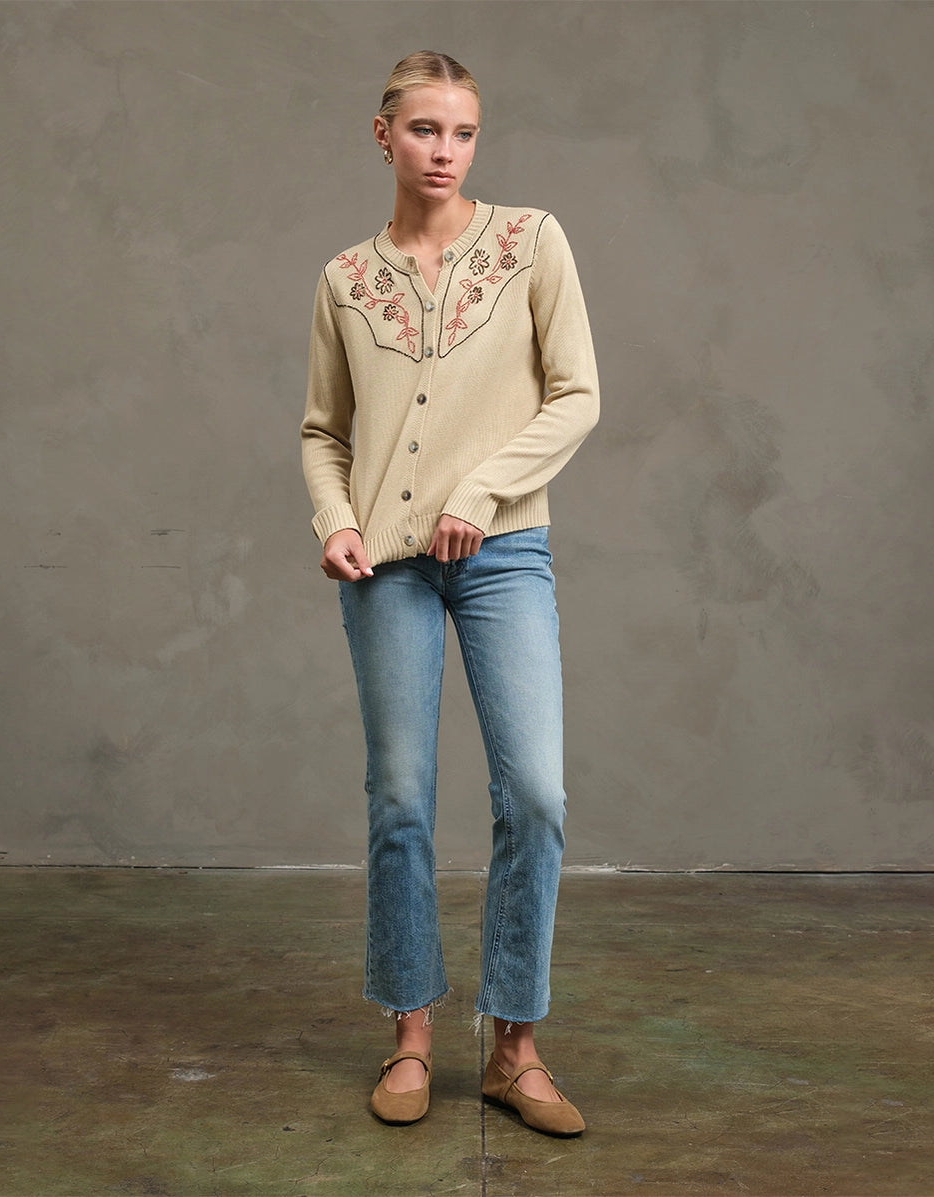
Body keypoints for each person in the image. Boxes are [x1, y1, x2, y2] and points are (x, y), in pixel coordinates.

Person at [300, 51, 599, 1136]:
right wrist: (335, 520)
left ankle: (514, 1049)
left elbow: (576, 395)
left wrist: (481, 489)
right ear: (383, 135)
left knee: (536, 796)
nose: (445, 151)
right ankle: (411, 1036)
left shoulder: (530, 243)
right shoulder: (345, 279)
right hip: (387, 568)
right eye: (424, 129)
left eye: (462, 132)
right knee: (399, 798)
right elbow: (323, 431)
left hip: (504, 554)